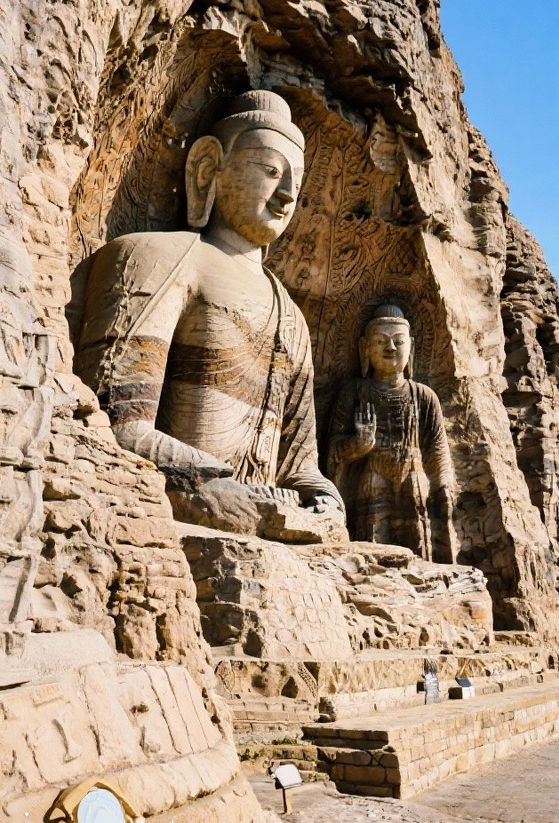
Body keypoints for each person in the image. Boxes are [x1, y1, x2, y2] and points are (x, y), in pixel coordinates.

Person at [76, 90, 344, 524]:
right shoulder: (157, 257)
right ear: (207, 168)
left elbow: (298, 466)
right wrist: (218, 487)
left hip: (268, 515)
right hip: (169, 514)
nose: (286, 195)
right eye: (271, 171)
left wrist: (325, 501)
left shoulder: (291, 315)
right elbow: (113, 422)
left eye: (296, 182)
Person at [326, 303, 456, 561]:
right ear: (365, 348)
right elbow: (331, 449)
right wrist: (357, 445)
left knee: (419, 546)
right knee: (371, 551)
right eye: (380, 341)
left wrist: (443, 486)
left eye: (399, 341)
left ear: (412, 347)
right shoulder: (355, 392)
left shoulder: (424, 396)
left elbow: (437, 449)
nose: (391, 348)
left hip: (413, 481)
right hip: (371, 480)